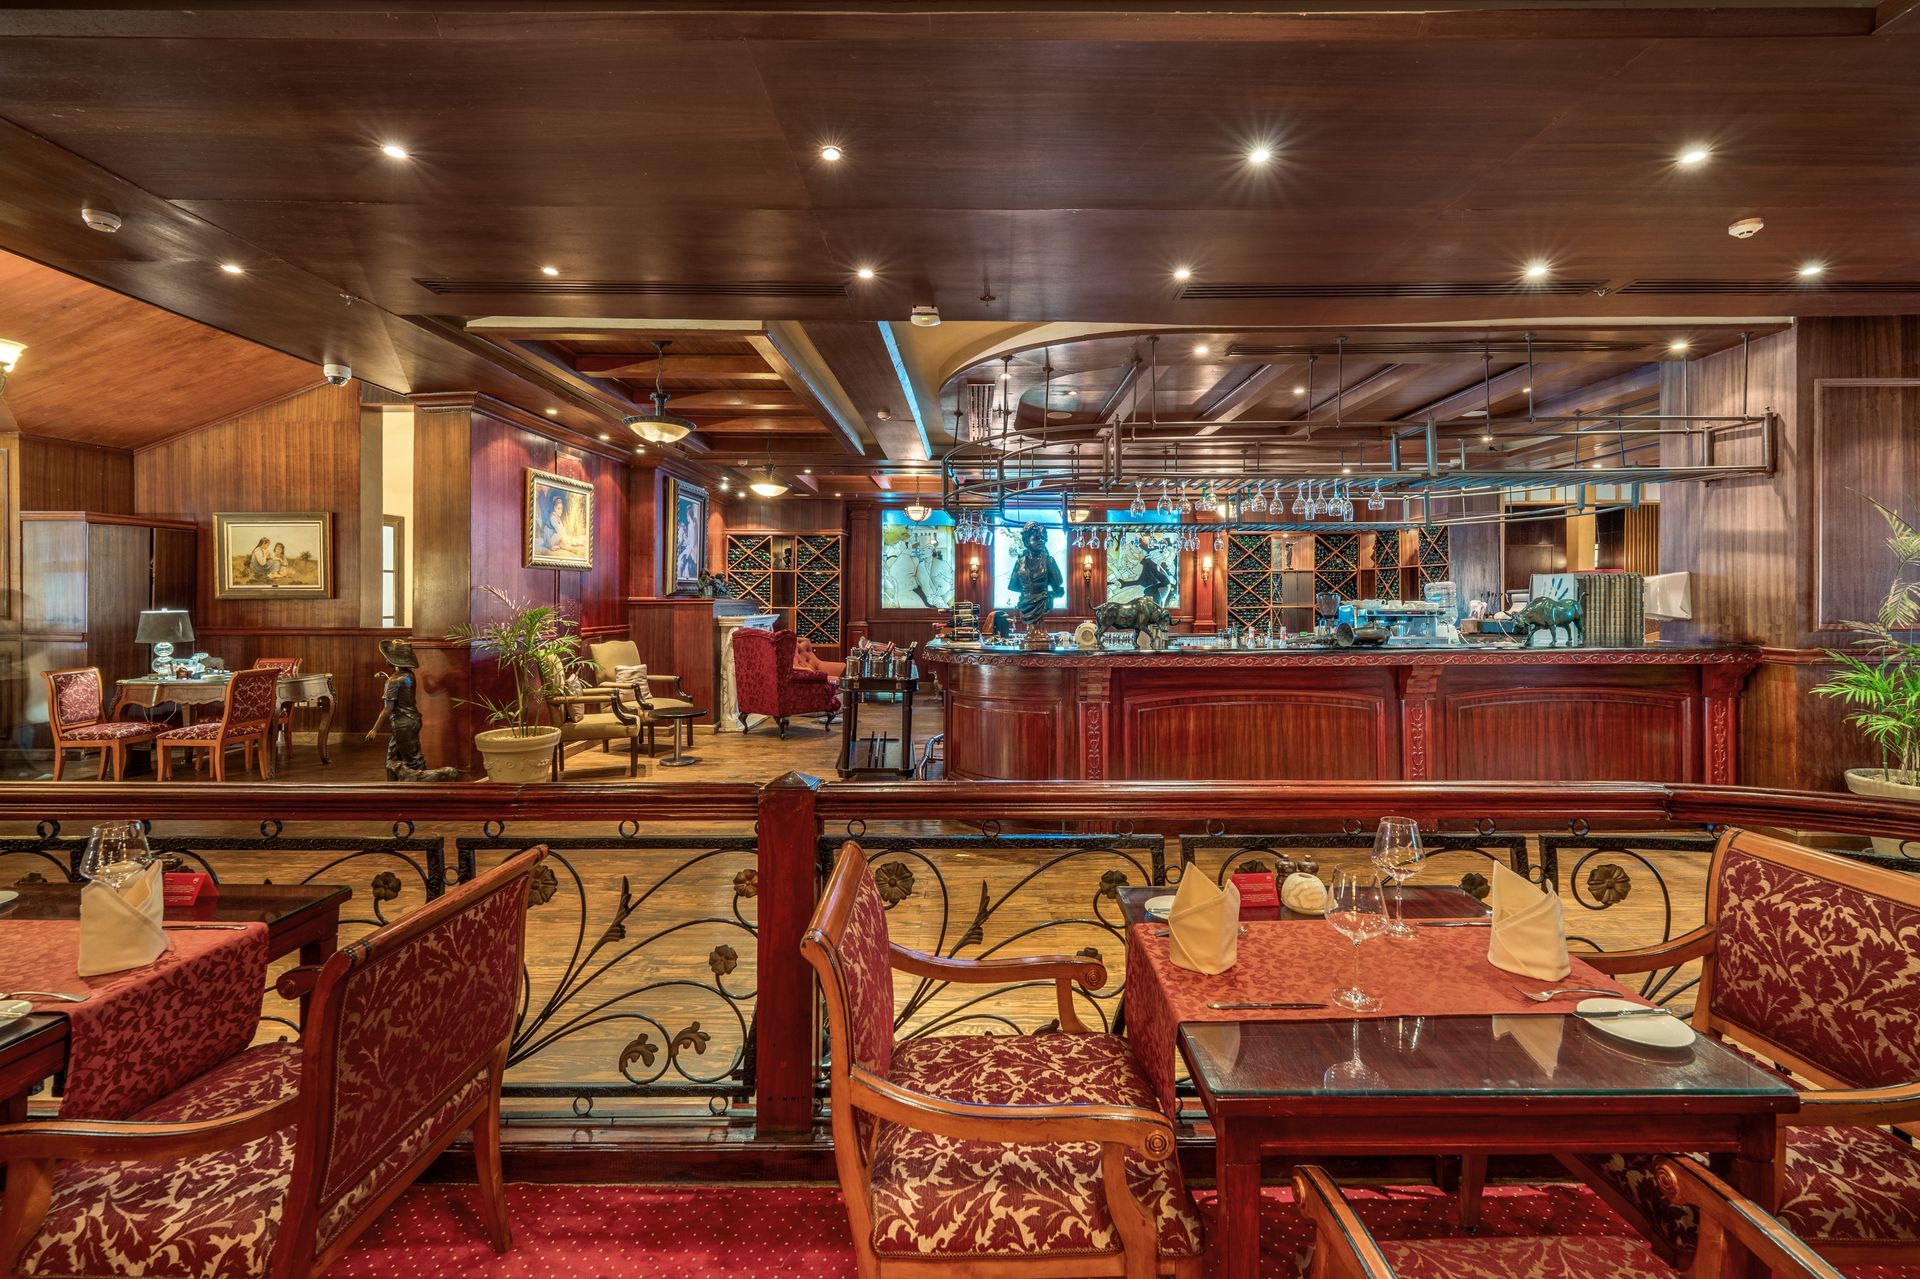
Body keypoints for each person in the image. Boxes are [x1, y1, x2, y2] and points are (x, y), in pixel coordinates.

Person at [366, 639, 459, 781]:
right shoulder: (409, 675)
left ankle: (442, 776)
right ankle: (392, 787)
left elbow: (388, 708)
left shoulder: (394, 681)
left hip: (402, 724)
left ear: (394, 660)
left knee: (413, 762)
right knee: (392, 759)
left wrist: (374, 729)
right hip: (412, 720)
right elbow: (402, 690)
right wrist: (387, 679)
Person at [1009, 522, 1063, 627]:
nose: (1041, 540)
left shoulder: (1049, 561)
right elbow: (1014, 586)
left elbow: (1058, 589)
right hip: (1024, 603)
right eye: (1037, 538)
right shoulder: (1019, 562)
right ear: (1027, 541)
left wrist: (1047, 596)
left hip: (1043, 603)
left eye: (1043, 538)